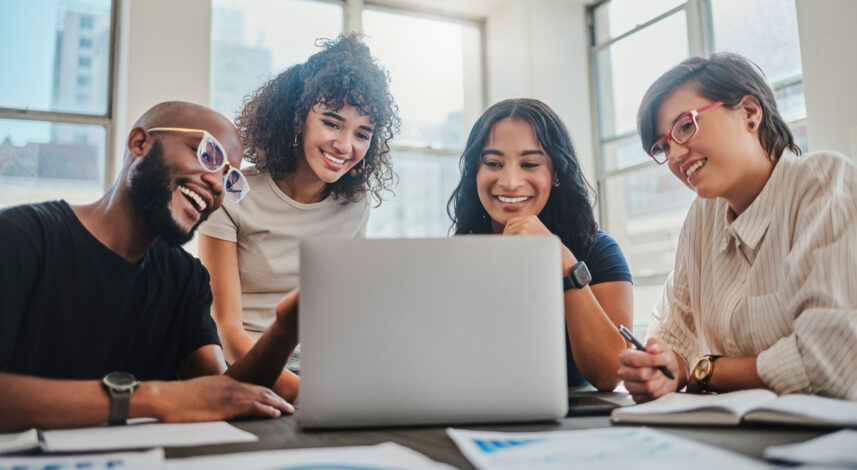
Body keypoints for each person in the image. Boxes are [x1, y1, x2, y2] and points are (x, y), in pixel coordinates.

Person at [0, 101, 299, 432]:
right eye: (208, 155)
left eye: (230, 178)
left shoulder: (187, 278)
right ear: (139, 143)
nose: (217, 184)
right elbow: (183, 398)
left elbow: (220, 394)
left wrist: (287, 328)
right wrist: (154, 398)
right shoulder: (20, 238)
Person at [618, 52, 857, 403]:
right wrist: (663, 369)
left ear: (749, 112)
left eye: (685, 125)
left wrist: (709, 370)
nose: (674, 155)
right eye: (663, 146)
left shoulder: (823, 184)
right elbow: (672, 336)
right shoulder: (702, 216)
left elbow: (831, 360)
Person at [198, 34, 398, 402]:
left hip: (325, 371)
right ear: (297, 119)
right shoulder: (233, 193)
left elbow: (343, 316)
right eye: (332, 123)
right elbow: (225, 329)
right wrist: (307, 394)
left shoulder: (355, 203)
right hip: (247, 371)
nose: (345, 145)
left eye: (362, 133)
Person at [447, 98, 633, 391]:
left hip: (573, 422)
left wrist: (562, 261)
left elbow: (611, 373)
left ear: (556, 173)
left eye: (530, 164)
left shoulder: (598, 251)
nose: (510, 182)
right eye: (493, 163)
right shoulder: (452, 258)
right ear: (475, 173)